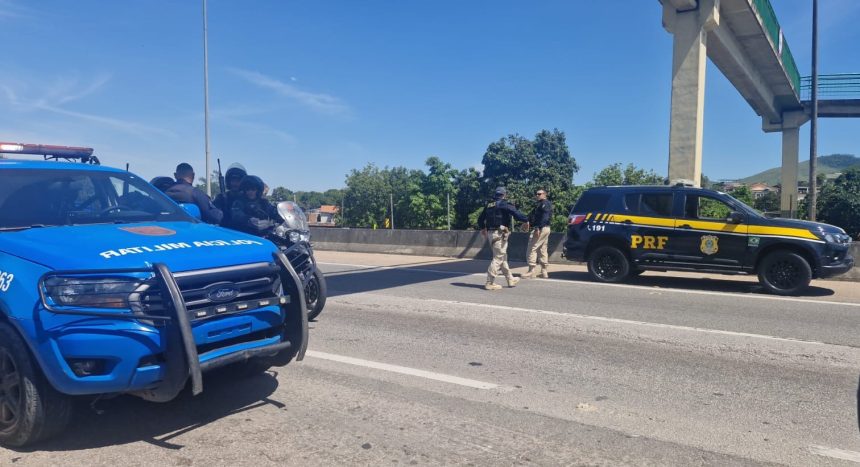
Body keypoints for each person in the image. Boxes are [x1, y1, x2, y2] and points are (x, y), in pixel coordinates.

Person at [477, 186, 528, 291]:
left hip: (491, 233)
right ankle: (489, 282)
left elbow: (480, 219)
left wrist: (483, 228)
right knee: (498, 258)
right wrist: (526, 220)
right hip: (499, 234)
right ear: (504, 195)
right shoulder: (505, 204)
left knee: (502, 257)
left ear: (496, 195)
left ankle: (510, 279)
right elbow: (516, 214)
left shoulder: (489, 205)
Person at [522, 189, 553, 279]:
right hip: (544, 228)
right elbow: (531, 215)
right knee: (542, 249)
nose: (537, 195)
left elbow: (545, 217)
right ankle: (544, 271)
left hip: (542, 228)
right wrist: (527, 221)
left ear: (544, 194)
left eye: (539, 194)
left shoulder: (545, 203)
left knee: (532, 248)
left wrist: (537, 228)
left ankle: (531, 271)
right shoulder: (539, 205)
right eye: (536, 194)